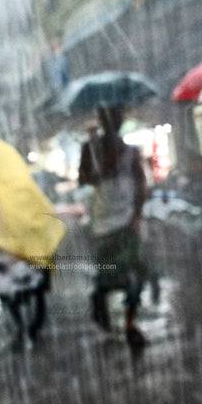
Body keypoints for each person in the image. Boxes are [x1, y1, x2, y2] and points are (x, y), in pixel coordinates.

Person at [78, 105, 148, 347]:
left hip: (126, 222)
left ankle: (130, 325)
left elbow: (141, 184)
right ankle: (99, 299)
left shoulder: (130, 151)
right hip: (102, 225)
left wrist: (137, 215)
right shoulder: (90, 149)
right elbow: (83, 179)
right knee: (109, 274)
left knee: (136, 273)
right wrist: (102, 165)